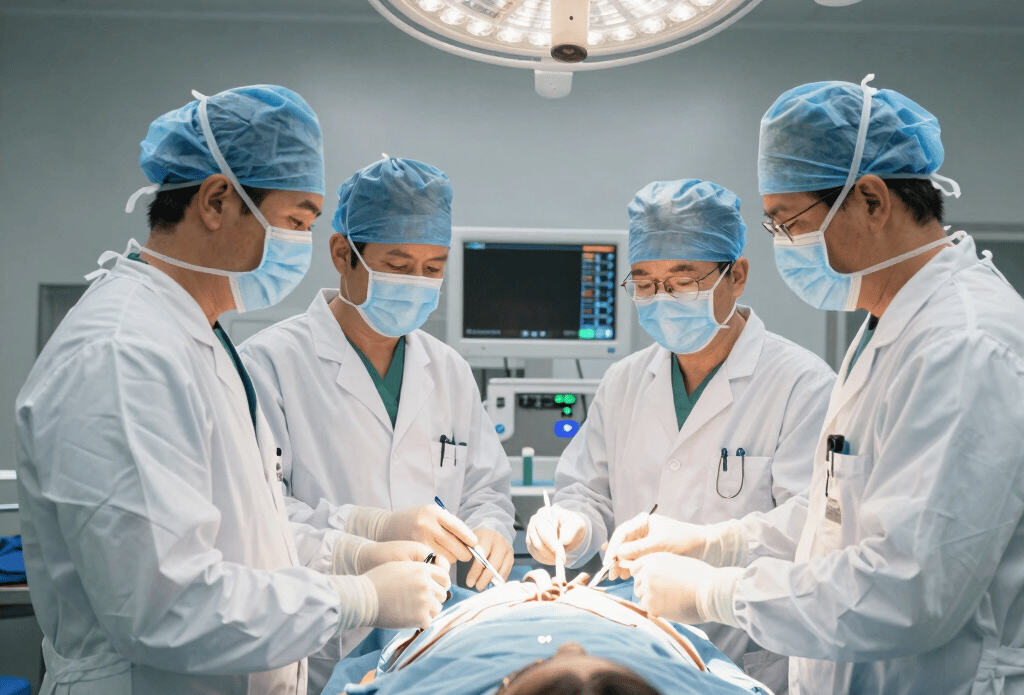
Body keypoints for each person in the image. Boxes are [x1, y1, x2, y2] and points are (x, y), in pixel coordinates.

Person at [15, 86, 450, 695]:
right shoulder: (123, 354)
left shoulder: (200, 339)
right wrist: (354, 597)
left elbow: (249, 534)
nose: (300, 243)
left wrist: (356, 554)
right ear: (218, 200)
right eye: (297, 221)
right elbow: (166, 605)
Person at [613, 76, 1024, 695]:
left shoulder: (962, 345)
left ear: (872, 199)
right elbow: (841, 512)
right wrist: (713, 542)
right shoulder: (890, 328)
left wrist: (717, 592)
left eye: (789, 224)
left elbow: (908, 589)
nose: (784, 245)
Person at [525, 178, 835, 692]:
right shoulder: (625, 381)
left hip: (743, 653)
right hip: (626, 653)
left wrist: (711, 547)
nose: (661, 297)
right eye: (644, 283)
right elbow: (588, 490)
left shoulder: (801, 384)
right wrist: (573, 523)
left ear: (737, 276)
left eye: (683, 280)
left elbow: (813, 527)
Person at [240, 156, 516, 690]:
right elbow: (261, 520)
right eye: (397, 264)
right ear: (343, 254)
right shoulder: (269, 364)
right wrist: (372, 537)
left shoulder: (449, 370)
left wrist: (492, 530)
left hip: (432, 645)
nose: (417, 282)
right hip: (316, 645)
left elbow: (485, 488)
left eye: (433, 268)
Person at [322, 569, 773, 695]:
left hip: (468, 617)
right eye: (619, 673)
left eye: (551, 663)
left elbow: (362, 684)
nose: (568, 644)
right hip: (624, 609)